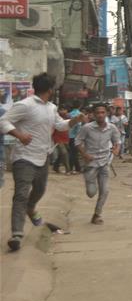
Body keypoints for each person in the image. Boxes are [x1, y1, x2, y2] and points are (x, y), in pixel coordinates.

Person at [0, 73, 85, 251]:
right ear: (50, 89)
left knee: (39, 190)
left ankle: (31, 209)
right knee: (21, 195)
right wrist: (20, 135)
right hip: (24, 158)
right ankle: (17, 234)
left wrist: (75, 120)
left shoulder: (51, 108)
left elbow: (60, 125)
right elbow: (3, 122)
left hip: (42, 157)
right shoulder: (25, 105)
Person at [76, 104, 120, 225]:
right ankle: (88, 183)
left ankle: (97, 214)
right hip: (91, 164)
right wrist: (85, 154)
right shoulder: (87, 128)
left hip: (105, 163)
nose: (100, 115)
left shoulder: (112, 128)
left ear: (106, 114)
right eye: (98, 113)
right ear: (94, 115)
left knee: (105, 190)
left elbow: (117, 141)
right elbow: (77, 142)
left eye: (102, 112)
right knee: (91, 193)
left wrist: (116, 149)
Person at [51, 106, 71, 174]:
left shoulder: (69, 117)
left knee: (61, 154)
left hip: (65, 137)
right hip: (57, 137)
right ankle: (68, 169)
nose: (63, 111)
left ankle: (55, 167)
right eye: (61, 110)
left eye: (64, 109)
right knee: (64, 153)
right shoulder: (56, 118)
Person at [67, 101, 83, 173]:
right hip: (75, 136)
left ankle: (77, 168)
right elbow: (78, 126)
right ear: (80, 106)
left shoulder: (69, 114)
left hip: (68, 135)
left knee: (72, 152)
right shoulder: (79, 114)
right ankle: (71, 168)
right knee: (74, 153)